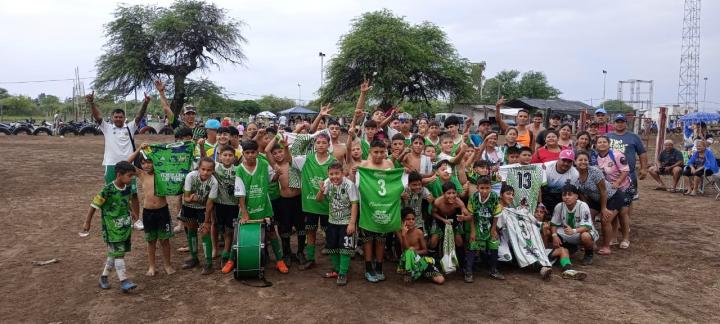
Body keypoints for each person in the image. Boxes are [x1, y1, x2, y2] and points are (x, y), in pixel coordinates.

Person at [87, 91, 149, 228]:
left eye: (121, 117)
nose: (118, 119)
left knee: (132, 194)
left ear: (124, 117)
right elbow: (97, 116)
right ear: (112, 118)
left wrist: (145, 102)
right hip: (111, 165)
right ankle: (113, 218)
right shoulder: (107, 128)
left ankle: (137, 221)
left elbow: (139, 116)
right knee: (111, 192)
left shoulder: (130, 127)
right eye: (116, 117)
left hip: (128, 165)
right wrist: (91, 102)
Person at [229, 140, 287, 273]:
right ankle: (231, 260)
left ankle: (279, 260)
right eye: (247, 153)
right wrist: (244, 213)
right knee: (238, 234)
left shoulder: (264, 164)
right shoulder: (239, 170)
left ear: (257, 153)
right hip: (246, 208)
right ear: (243, 153)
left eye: (253, 152)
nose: (250, 155)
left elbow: (271, 179)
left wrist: (277, 173)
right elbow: (240, 195)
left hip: (264, 207)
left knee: (272, 233)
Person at [82, 161, 138, 292]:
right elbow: (94, 205)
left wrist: (132, 211)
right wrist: (87, 222)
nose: (131, 179)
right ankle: (124, 281)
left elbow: (126, 200)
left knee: (115, 253)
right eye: (129, 176)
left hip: (124, 226)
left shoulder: (127, 187)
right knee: (119, 254)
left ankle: (103, 277)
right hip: (112, 228)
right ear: (119, 175)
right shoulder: (107, 190)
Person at [127, 144, 175, 277]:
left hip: (162, 211)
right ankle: (152, 266)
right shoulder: (141, 175)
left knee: (165, 241)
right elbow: (126, 163)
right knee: (151, 241)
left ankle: (167, 264)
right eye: (143, 163)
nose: (146, 165)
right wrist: (139, 149)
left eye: (149, 162)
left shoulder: (161, 173)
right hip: (148, 212)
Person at [292, 133, 336, 270]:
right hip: (310, 205)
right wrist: (285, 144)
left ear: (329, 145)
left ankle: (336, 264)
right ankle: (310, 259)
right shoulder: (306, 159)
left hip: (327, 205)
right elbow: (289, 159)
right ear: (314, 145)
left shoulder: (334, 162)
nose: (321, 145)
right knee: (310, 232)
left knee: (330, 234)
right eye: (318, 142)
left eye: (324, 142)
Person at [357, 140, 396, 282]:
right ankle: (368, 268)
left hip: (385, 207)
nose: (379, 155)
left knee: (381, 239)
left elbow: (394, 184)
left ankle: (379, 267)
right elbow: (357, 185)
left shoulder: (390, 164)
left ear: (386, 151)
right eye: (376, 152)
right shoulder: (364, 165)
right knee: (367, 240)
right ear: (370, 152)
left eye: (382, 152)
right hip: (368, 208)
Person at [316, 162, 359, 286]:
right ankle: (336, 270)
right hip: (332, 221)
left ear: (343, 173)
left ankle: (343, 273)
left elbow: (355, 204)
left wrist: (352, 223)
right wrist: (321, 191)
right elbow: (319, 200)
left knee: (344, 249)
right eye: (331, 174)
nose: (334, 176)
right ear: (328, 174)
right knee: (332, 247)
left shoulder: (349, 185)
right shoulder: (327, 182)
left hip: (346, 222)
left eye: (337, 173)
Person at [573, 150, 624, 255]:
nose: (583, 162)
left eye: (585, 160)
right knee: (587, 216)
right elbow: (580, 193)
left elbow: (603, 191)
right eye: (580, 160)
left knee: (605, 219)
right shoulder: (574, 174)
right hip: (595, 199)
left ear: (589, 161)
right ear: (575, 162)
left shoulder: (594, 171)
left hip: (612, 196)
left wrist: (603, 208)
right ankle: (592, 242)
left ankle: (606, 246)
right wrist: (585, 207)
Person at [180, 157, 218, 274]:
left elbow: (209, 203)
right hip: (189, 208)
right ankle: (194, 257)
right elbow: (186, 198)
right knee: (191, 230)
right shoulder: (190, 176)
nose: (205, 172)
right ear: (198, 168)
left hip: (203, 209)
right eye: (203, 169)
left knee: (205, 232)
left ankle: (208, 263)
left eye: (209, 170)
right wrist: (190, 198)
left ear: (213, 171)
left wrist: (207, 221)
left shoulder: (213, 182)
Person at [595, 136, 632, 250]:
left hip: (624, 187)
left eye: (604, 142)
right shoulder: (596, 157)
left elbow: (625, 170)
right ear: (596, 145)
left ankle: (626, 238)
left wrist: (618, 181)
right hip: (610, 190)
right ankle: (614, 238)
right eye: (599, 142)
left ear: (609, 143)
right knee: (613, 213)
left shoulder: (617, 155)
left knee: (623, 213)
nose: (602, 144)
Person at [465, 177, 503, 282]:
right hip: (477, 223)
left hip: (490, 224)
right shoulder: (473, 198)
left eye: (487, 188)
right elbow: (471, 215)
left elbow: (496, 215)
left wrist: (493, 229)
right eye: (482, 188)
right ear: (477, 188)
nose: (484, 190)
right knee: (472, 244)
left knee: (494, 244)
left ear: (491, 188)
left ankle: (493, 269)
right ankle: (468, 271)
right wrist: (473, 231)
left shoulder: (494, 197)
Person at [550, 184, 598, 266]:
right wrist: (554, 236)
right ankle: (568, 248)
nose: (567, 197)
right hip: (568, 231)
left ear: (576, 196)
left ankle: (589, 254)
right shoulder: (559, 206)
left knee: (585, 236)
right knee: (549, 232)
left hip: (581, 231)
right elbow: (553, 223)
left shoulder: (583, 206)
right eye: (564, 195)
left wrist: (574, 231)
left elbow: (587, 226)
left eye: (570, 194)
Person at [211, 145, 240, 269]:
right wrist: (201, 146)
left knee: (229, 230)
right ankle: (214, 248)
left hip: (233, 205)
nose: (227, 158)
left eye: (230, 155)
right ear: (219, 156)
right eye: (225, 155)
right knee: (216, 225)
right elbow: (202, 161)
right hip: (218, 203)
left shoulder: (238, 170)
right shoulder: (216, 168)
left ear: (234, 157)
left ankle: (226, 253)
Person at [398, 208, 445, 284]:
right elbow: (404, 250)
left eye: (413, 219)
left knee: (440, 280)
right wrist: (403, 236)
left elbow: (425, 250)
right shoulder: (400, 232)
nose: (411, 221)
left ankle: (421, 273)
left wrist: (414, 252)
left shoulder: (419, 232)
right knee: (408, 251)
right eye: (408, 219)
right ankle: (409, 273)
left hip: (420, 260)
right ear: (403, 221)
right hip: (407, 261)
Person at [607, 114, 648, 200]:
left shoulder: (634, 137)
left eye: (622, 122)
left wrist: (644, 168)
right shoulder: (607, 136)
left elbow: (642, 153)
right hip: (610, 173)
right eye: (617, 122)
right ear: (613, 124)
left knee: (629, 198)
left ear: (626, 123)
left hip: (629, 173)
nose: (620, 124)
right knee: (609, 196)